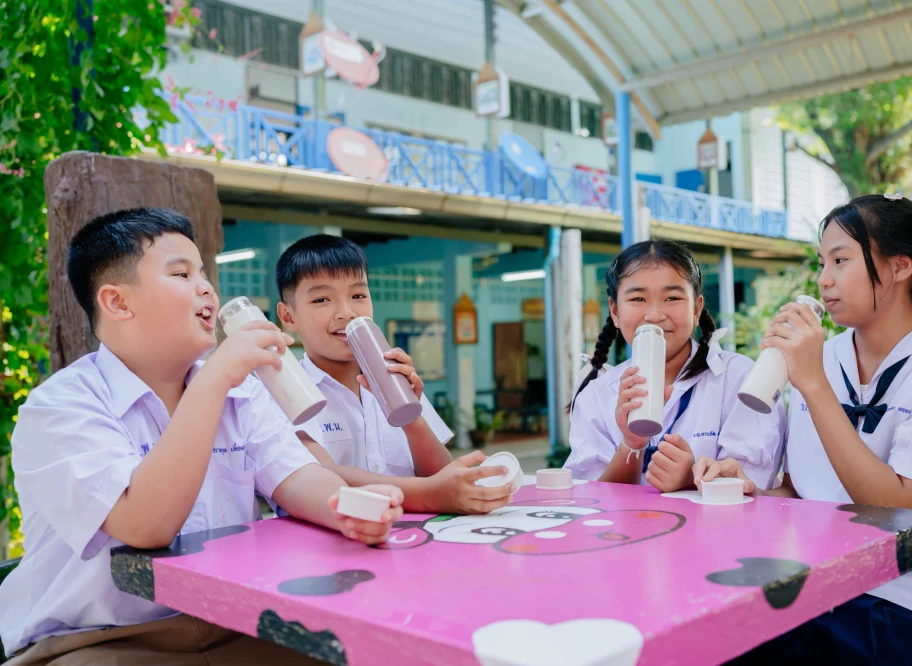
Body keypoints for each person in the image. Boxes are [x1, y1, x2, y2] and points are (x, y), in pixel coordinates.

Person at [0, 208, 402, 664]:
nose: (207, 288)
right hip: (97, 641)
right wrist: (215, 378)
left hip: (234, 621)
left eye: (204, 274)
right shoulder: (60, 407)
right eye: (181, 274)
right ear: (117, 303)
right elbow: (145, 525)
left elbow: (299, 477)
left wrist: (348, 508)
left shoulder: (242, 392)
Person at [697, 194, 912, 665]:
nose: (824, 279)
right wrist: (749, 489)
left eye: (840, 260)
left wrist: (814, 384)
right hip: (816, 587)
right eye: (822, 262)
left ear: (900, 266)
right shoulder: (825, 357)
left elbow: (897, 503)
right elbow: (803, 489)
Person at [274, 234, 514, 515]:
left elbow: (440, 475)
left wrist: (410, 416)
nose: (346, 312)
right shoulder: (283, 391)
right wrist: (429, 494)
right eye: (321, 299)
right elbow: (320, 477)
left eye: (358, 296)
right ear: (288, 317)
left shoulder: (396, 376)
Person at [564, 239, 783, 492]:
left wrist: (691, 479)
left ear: (697, 309)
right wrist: (632, 444)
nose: (655, 315)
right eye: (638, 298)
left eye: (672, 297)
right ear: (615, 311)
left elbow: (751, 486)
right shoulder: (596, 395)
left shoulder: (739, 379)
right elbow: (590, 497)